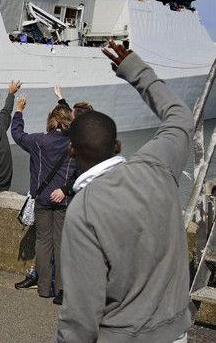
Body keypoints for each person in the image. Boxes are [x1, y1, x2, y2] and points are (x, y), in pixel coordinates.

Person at [57, 43, 193, 343]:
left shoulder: (84, 209)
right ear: (116, 145)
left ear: (71, 151)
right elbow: (180, 116)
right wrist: (135, 70)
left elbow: (81, 313)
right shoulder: (157, 166)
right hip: (177, 333)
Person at [11, 95, 76, 305]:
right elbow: (80, 172)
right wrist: (65, 189)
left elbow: (17, 135)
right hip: (63, 199)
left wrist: (19, 111)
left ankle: (44, 288)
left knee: (43, 242)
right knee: (61, 243)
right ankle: (62, 290)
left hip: (42, 198)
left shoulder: (39, 141)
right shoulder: (75, 144)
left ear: (51, 120)